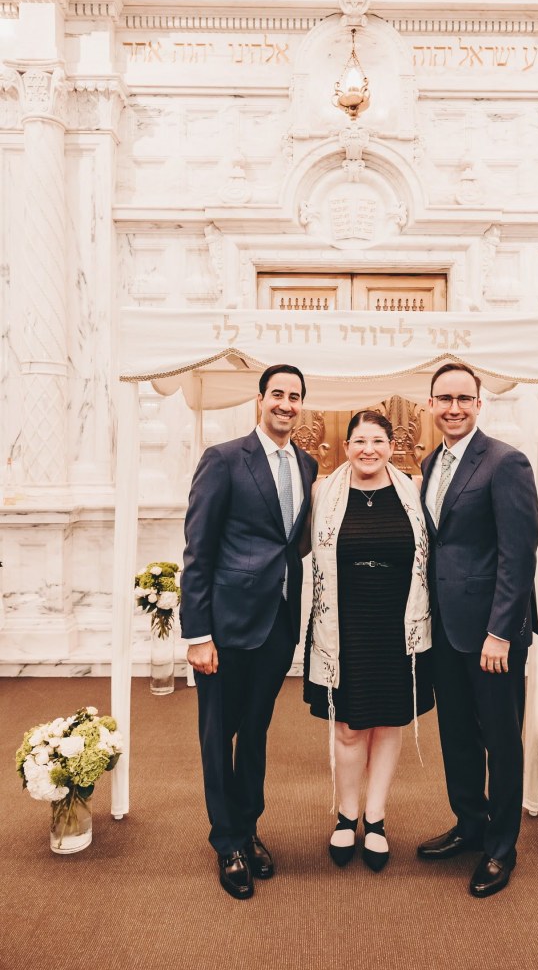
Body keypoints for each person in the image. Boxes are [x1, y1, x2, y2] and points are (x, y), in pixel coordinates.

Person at [180, 364, 318, 900]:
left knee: (256, 732)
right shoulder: (222, 459)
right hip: (227, 625)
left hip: (279, 624)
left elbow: (293, 542)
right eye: (277, 393)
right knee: (219, 735)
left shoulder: (306, 463)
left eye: (295, 396)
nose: (286, 403)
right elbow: (198, 551)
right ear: (260, 400)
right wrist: (198, 633)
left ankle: (249, 826)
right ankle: (227, 842)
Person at [417, 361, 538, 898]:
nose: (454, 408)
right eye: (444, 399)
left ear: (478, 404)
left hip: (492, 634)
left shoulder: (506, 462)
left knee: (500, 740)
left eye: (463, 399)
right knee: (457, 734)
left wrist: (501, 632)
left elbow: (519, 555)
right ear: (430, 405)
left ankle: (500, 847)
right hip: (445, 628)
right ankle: (469, 823)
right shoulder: (430, 462)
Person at [305, 411, 432, 872]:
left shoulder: (413, 489)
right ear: (346, 447)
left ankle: (375, 819)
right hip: (344, 624)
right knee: (349, 726)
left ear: (391, 446)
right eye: (359, 441)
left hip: (398, 623)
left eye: (377, 441)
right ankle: (346, 815)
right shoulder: (323, 491)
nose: (368, 449)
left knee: (388, 722)